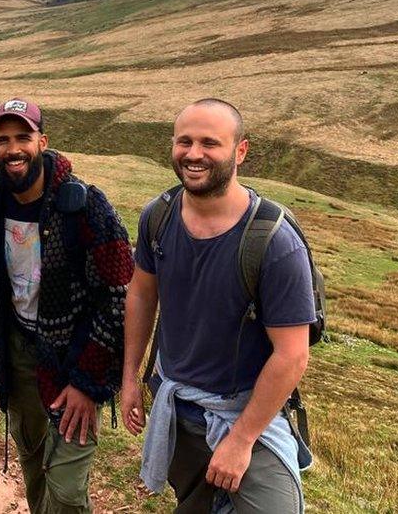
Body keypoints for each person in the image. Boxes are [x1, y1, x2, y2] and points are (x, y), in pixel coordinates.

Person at [120, 99, 314, 513]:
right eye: (184, 141)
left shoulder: (274, 242)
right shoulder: (158, 217)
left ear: (240, 151)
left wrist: (241, 440)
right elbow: (141, 294)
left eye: (210, 143)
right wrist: (131, 378)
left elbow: (293, 354)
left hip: (250, 417)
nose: (194, 154)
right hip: (178, 409)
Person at [0, 98, 133, 513]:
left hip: (74, 356)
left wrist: (88, 383)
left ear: (43, 141)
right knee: (33, 465)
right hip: (17, 355)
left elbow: (118, 296)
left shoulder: (85, 205)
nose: (13, 149)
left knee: (68, 489)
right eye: (2, 140)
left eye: (23, 137)